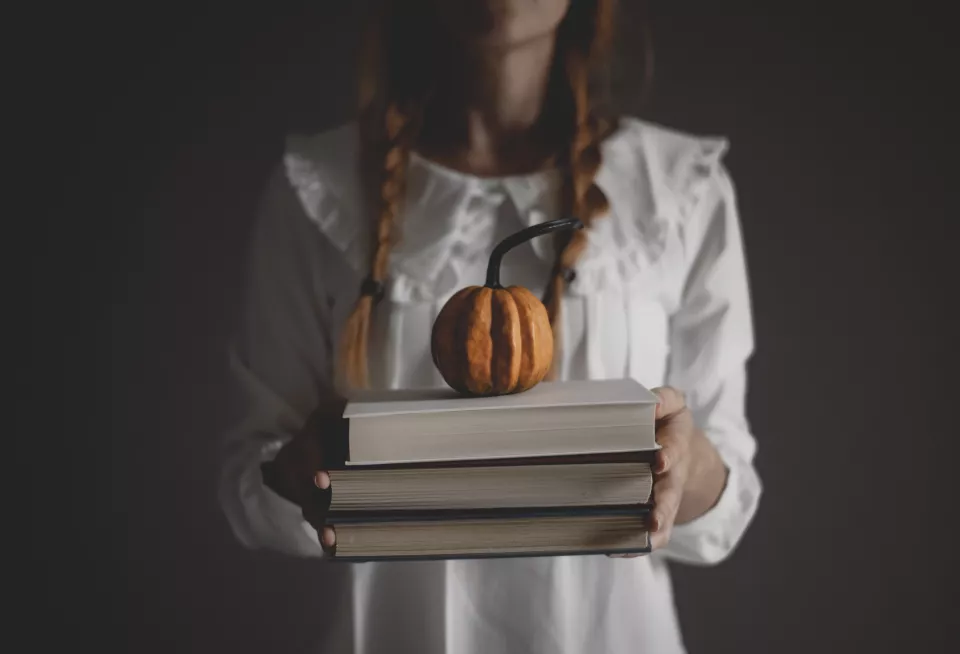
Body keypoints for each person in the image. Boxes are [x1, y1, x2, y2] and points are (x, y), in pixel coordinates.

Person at [219, 1, 762, 652]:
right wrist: (309, 473)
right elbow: (252, 478)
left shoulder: (679, 190)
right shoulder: (318, 187)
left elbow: (725, 504)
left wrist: (683, 464)